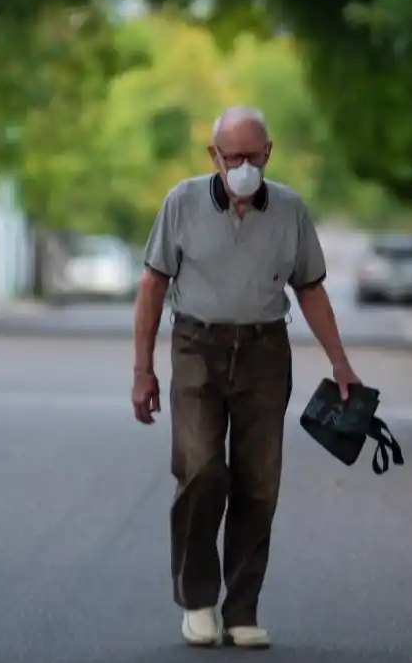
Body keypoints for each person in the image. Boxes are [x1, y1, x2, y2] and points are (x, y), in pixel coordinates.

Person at [131, 105, 362, 649]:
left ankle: (242, 609)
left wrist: (340, 362)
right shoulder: (182, 202)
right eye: (231, 157)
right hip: (197, 347)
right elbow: (152, 286)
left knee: (259, 481)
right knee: (201, 470)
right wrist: (143, 370)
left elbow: (310, 289)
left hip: (264, 350)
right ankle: (198, 600)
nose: (242, 168)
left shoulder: (289, 210)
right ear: (213, 156)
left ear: (268, 153)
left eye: (252, 157)